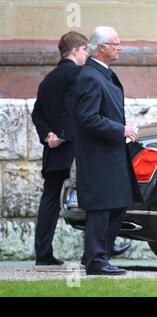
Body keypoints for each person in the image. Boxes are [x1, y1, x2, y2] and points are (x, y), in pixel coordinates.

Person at [74, 26, 142, 275]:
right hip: (98, 155)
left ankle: (97, 255)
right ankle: (96, 261)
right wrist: (121, 129)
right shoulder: (91, 76)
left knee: (118, 203)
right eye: (116, 44)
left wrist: (121, 129)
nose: (120, 48)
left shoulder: (102, 73)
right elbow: (88, 118)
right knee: (102, 206)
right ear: (101, 48)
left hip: (110, 153)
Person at [32, 31, 89, 266]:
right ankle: (94, 252)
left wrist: (48, 135)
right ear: (74, 50)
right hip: (72, 149)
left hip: (54, 151)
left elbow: (37, 113)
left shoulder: (49, 79)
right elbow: (70, 108)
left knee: (50, 200)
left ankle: (43, 253)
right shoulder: (77, 73)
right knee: (93, 198)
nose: (87, 54)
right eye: (85, 49)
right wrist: (63, 136)